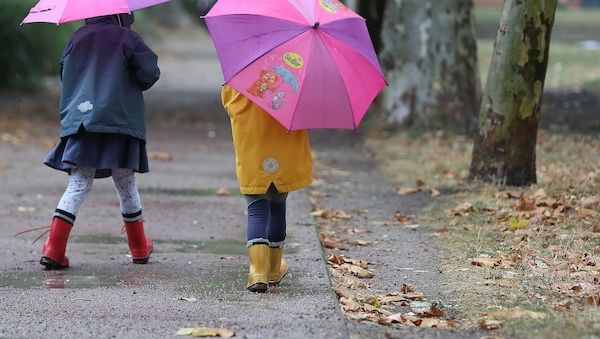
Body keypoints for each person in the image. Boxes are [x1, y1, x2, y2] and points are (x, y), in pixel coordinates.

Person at [40, 13, 160, 269]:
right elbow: (149, 74)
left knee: (79, 182)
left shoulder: (76, 38)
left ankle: (54, 247)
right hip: (120, 121)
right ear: (120, 13)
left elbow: (66, 75)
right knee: (125, 183)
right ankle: (139, 246)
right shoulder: (127, 38)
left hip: (83, 120)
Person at [221, 84, 313, 293]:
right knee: (278, 206)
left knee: (256, 208)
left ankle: (258, 272)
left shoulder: (238, 82)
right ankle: (273, 269)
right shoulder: (295, 83)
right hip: (285, 153)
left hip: (252, 154)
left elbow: (227, 102)